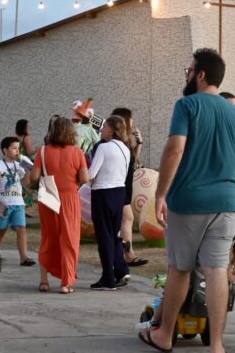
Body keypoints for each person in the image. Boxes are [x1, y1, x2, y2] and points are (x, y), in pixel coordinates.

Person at [139, 48, 235, 353]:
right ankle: (216, 347)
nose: (186, 74)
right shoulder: (233, 113)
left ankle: (165, 334)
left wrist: (161, 193)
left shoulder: (187, 105)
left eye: (189, 69)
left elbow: (175, 148)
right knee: (216, 270)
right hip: (224, 201)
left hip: (188, 200)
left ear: (200, 74)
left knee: (180, 269)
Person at [30, 117, 89, 294]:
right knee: (69, 239)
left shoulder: (42, 151)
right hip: (70, 197)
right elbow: (85, 179)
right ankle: (66, 282)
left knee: (48, 237)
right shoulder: (78, 152)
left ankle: (44, 281)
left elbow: (34, 177)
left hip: (48, 197)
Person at [88, 115, 132, 290]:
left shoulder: (104, 148)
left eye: (105, 126)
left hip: (103, 193)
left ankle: (108, 277)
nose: (102, 129)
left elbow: (91, 174)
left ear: (112, 130)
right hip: (119, 192)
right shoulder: (125, 148)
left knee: (104, 236)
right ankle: (120, 269)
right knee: (114, 234)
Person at [0, 136, 35, 267]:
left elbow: (26, 180)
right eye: (14, 148)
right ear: (5, 150)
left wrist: (26, 168)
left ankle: (24, 257)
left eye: (18, 148)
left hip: (18, 202)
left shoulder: (19, 164)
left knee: (21, 228)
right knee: (1, 230)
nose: (17, 151)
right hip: (3, 203)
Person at [110, 107, 148, 267]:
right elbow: (96, 121)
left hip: (125, 184)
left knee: (126, 218)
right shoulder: (114, 138)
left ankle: (125, 253)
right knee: (127, 217)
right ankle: (127, 254)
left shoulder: (125, 139)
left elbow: (133, 159)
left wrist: (139, 142)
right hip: (119, 184)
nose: (133, 122)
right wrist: (87, 114)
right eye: (131, 119)